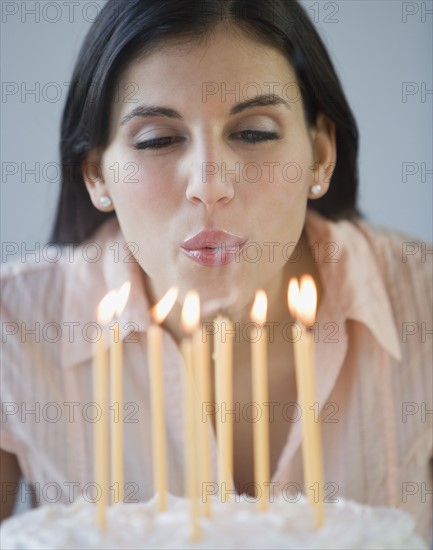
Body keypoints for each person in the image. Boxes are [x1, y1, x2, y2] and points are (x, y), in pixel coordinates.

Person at [1, 0, 431, 543]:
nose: (209, 183)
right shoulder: (13, 327)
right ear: (96, 175)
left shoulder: (423, 304)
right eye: (158, 139)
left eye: (254, 133)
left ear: (321, 154)